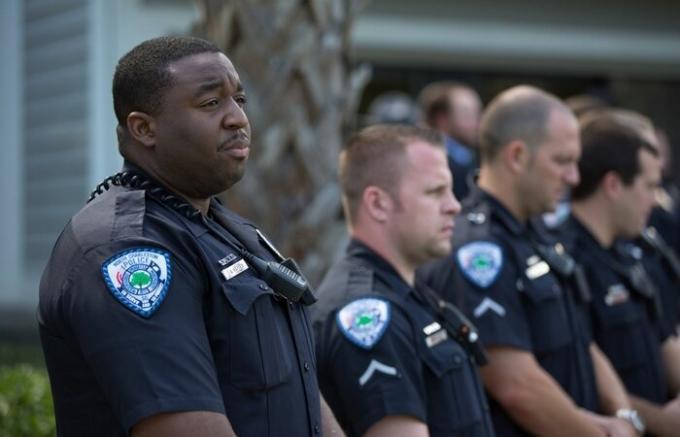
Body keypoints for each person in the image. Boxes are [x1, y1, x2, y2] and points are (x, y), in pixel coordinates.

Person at [38, 36, 342, 437]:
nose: (237, 118)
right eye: (211, 103)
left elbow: (299, 391)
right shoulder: (129, 248)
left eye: (240, 100)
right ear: (144, 128)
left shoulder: (226, 229)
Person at [418, 85, 638, 436]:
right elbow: (517, 386)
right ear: (517, 156)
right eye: (562, 161)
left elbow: (582, 340)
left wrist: (625, 414)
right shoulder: (477, 250)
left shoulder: (538, 233)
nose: (574, 178)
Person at [312, 125, 495, 436]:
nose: (455, 205)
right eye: (435, 191)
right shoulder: (366, 314)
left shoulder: (410, 292)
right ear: (378, 203)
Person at [561, 111, 680, 436]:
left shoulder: (628, 254)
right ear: (613, 185)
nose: (655, 202)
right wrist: (658, 420)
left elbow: (664, 335)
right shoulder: (566, 261)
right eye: (649, 186)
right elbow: (577, 375)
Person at [418, 81, 482, 201]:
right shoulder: (437, 162)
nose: (478, 122)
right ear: (442, 119)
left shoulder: (466, 157)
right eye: (467, 114)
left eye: (478, 113)